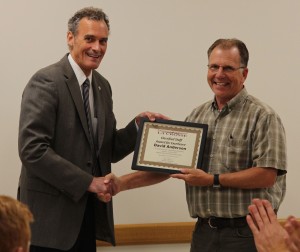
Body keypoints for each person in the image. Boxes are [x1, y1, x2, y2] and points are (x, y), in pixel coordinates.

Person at [106, 38, 287, 252]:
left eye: (228, 68)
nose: (219, 74)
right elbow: (174, 169)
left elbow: (267, 175)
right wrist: (121, 184)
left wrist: (212, 180)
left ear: (244, 73)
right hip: (204, 233)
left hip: (247, 234)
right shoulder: (197, 115)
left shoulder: (263, 116)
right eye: (214, 67)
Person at [18, 7, 167, 252]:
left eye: (103, 40)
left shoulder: (102, 86)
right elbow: (32, 150)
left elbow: (105, 150)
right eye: (89, 39)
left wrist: (137, 128)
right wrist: (90, 182)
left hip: (87, 217)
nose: (97, 48)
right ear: (70, 38)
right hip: (48, 224)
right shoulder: (46, 81)